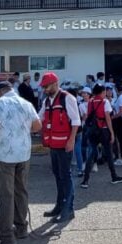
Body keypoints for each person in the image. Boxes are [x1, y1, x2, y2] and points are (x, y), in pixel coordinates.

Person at [0, 81, 41, 244]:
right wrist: (21, 130)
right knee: (21, 190)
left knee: (6, 194)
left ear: (0, 92)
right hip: (24, 153)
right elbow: (37, 126)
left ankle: (6, 236)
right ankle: (22, 229)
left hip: (4, 155)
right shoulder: (27, 103)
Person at [38, 72, 80, 223]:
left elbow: (76, 121)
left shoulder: (67, 98)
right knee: (58, 175)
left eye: (46, 86)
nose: (44, 89)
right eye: (43, 87)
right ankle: (59, 205)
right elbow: (39, 118)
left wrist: (71, 140)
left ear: (55, 84)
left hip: (64, 145)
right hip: (53, 145)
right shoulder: (47, 101)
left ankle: (68, 209)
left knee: (66, 176)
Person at [80, 85, 122, 188]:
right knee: (109, 154)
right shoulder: (105, 102)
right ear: (101, 92)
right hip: (103, 130)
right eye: (104, 91)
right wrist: (112, 133)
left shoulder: (90, 101)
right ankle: (114, 176)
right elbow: (108, 118)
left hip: (92, 130)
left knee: (91, 154)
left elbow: (88, 115)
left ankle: (85, 180)